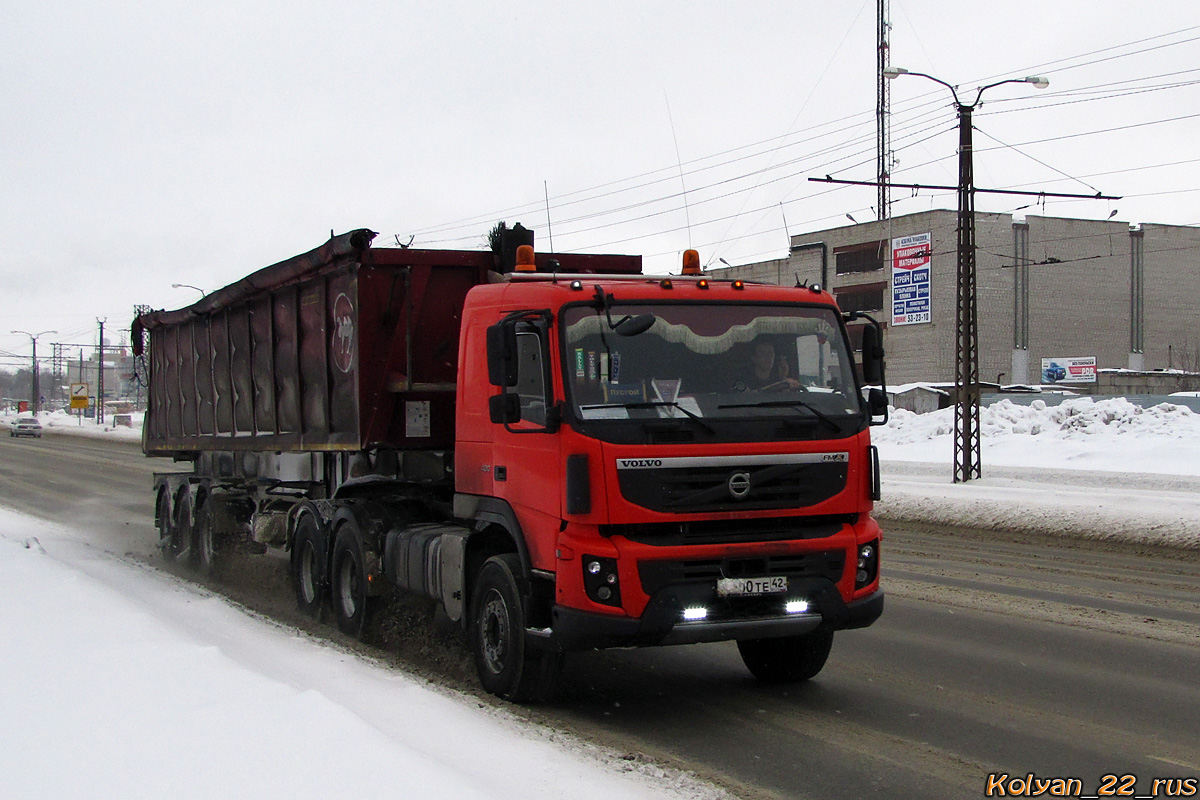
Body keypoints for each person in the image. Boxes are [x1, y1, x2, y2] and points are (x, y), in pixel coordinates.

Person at [734, 341, 800, 391]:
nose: (769, 358)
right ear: (754, 358)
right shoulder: (745, 378)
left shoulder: (778, 377)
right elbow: (748, 397)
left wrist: (784, 379)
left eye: (771, 353)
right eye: (763, 354)